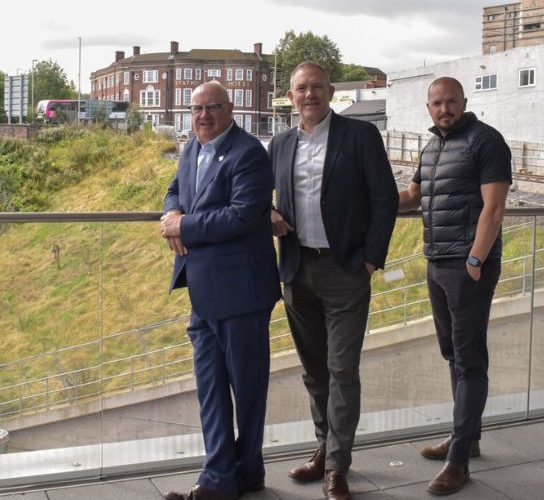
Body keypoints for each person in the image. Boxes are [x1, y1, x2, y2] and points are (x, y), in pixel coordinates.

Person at [269, 62, 398, 500]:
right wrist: (267, 212)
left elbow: (384, 198)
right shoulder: (281, 144)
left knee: (342, 368)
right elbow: (259, 193)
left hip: (345, 269)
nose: (310, 95)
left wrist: (370, 259)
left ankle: (338, 466)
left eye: (317, 87)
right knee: (314, 369)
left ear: (330, 92)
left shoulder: (360, 136)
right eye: (301, 89)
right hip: (296, 268)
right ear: (291, 96)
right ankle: (323, 447)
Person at [160, 81, 281, 500]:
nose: (203, 116)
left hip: (242, 293)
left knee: (247, 390)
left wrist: (184, 227)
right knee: (210, 389)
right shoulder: (191, 147)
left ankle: (246, 471)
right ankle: (220, 476)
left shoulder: (249, 153)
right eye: (197, 109)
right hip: (202, 290)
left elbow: (245, 216)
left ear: (231, 110)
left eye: (213, 107)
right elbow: (177, 189)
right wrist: (172, 209)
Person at [398, 76, 512, 496]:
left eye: (450, 102)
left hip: (467, 266)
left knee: (469, 360)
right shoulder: (431, 148)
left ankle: (458, 459)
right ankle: (467, 436)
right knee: (452, 354)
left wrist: (476, 260)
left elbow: (495, 208)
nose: (444, 109)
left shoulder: (486, 141)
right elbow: (412, 195)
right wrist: (366, 200)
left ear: (464, 102)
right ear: (428, 108)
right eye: (436, 103)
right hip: (436, 261)